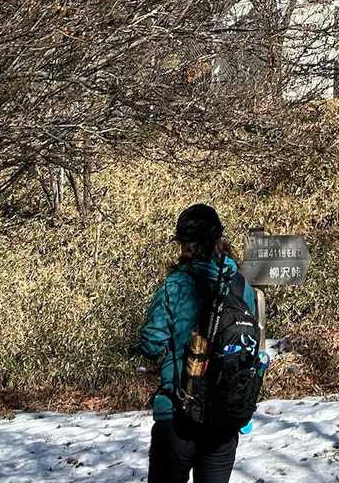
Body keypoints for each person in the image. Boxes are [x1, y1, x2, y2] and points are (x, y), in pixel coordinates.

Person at [138, 203, 259, 483]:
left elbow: (151, 343)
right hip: (224, 415)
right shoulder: (241, 286)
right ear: (219, 241)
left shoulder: (174, 285)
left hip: (177, 415)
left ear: (186, 244)